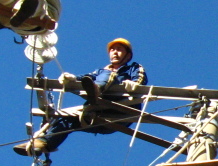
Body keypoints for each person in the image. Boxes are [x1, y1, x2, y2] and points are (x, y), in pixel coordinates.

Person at [14, 38, 149, 156]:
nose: (115, 52)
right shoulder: (101, 71)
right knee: (66, 120)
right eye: (112, 50)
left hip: (121, 111)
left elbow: (140, 77)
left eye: (119, 49)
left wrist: (134, 84)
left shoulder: (133, 67)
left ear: (127, 55)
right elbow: (86, 78)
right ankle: (44, 143)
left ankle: (96, 90)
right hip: (97, 117)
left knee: (108, 75)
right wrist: (71, 79)